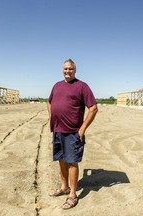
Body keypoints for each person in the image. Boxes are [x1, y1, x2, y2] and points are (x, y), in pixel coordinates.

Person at [47, 58, 98, 210]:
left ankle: (73, 194)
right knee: (61, 160)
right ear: (62, 70)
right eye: (65, 69)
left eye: (70, 69)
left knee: (72, 162)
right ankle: (64, 187)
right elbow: (49, 102)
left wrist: (82, 128)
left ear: (75, 70)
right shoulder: (56, 86)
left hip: (72, 133)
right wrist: (52, 116)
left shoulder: (82, 86)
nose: (67, 71)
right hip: (57, 130)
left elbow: (93, 108)